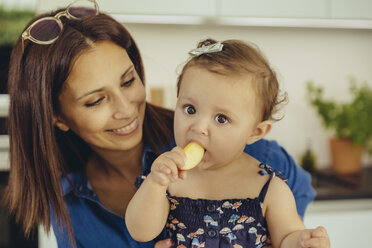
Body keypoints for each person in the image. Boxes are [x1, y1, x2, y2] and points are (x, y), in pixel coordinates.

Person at [3, 0, 315, 247]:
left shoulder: (248, 158)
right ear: (57, 117)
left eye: (128, 81)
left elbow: (296, 207)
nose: (126, 110)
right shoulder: (67, 198)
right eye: (96, 100)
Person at [126, 39, 329, 248]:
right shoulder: (169, 177)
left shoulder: (269, 187)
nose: (198, 127)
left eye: (221, 119)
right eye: (190, 109)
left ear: (255, 132)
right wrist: (155, 183)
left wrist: (302, 242)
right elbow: (140, 231)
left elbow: (287, 237)